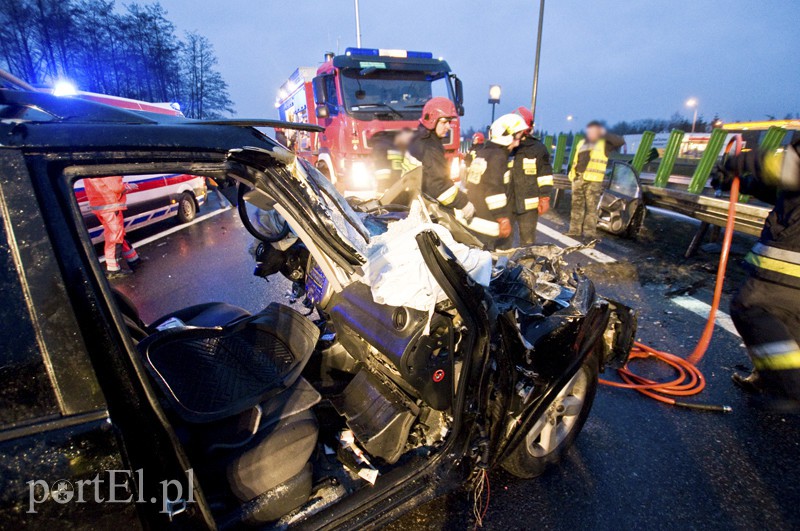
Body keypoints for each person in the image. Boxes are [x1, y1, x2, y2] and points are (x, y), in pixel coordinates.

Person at [713, 137, 800, 403]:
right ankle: (769, 378)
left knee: (751, 307)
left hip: (790, 262)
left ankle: (791, 385)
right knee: (789, 323)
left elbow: (788, 169)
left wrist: (737, 162)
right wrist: (740, 183)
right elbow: (786, 188)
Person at [464, 113, 528, 249]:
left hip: (477, 216)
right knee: (495, 260)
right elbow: (494, 190)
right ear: (505, 136)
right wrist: (503, 218)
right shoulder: (498, 157)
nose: (517, 142)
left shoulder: (484, 152)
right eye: (516, 137)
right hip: (490, 222)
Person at [406, 97, 475, 220]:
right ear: (431, 120)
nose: (448, 127)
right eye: (444, 122)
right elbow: (438, 187)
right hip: (427, 211)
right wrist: (463, 203)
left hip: (415, 204)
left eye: (449, 122)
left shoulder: (419, 139)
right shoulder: (430, 147)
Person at [567, 121, 625, 241]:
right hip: (578, 177)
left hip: (593, 180)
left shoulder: (604, 143)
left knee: (591, 208)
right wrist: (572, 175)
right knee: (576, 206)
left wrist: (604, 135)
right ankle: (574, 231)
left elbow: (620, 141)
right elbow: (575, 159)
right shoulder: (582, 142)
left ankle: (589, 233)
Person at [507, 106, 554, 246]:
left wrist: (544, 197)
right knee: (503, 242)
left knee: (527, 241)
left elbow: (545, 174)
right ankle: (502, 266)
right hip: (507, 204)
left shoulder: (538, 148)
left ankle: (525, 266)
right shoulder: (505, 146)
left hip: (528, 207)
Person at [84, 176, 140, 279]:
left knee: (119, 234)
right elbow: (116, 187)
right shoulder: (104, 166)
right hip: (110, 205)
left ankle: (134, 260)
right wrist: (127, 186)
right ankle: (113, 269)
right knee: (115, 237)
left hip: (101, 206)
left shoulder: (94, 166)